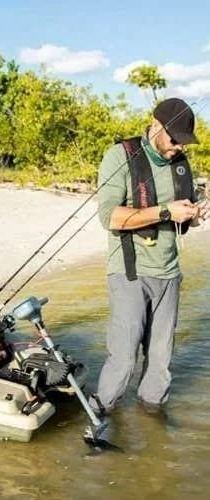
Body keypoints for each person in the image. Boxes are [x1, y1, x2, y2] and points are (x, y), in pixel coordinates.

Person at [90, 97, 209, 416]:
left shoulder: (180, 163)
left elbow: (183, 217)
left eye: (184, 142)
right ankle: (100, 412)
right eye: (174, 140)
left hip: (169, 274)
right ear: (156, 126)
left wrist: (196, 215)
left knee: (160, 362)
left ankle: (152, 421)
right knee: (124, 357)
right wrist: (166, 211)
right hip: (130, 270)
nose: (178, 147)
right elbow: (109, 217)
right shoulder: (120, 155)